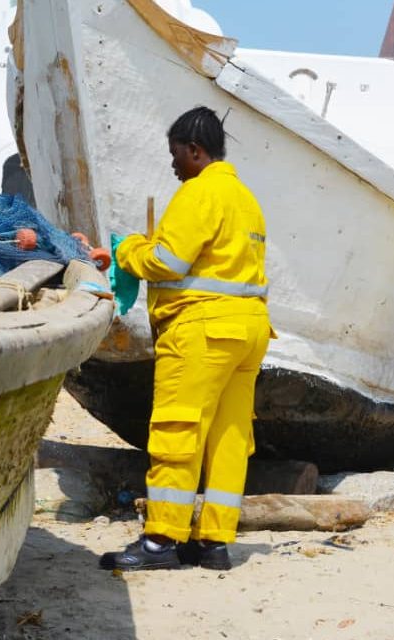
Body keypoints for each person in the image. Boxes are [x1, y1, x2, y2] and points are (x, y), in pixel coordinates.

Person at [101, 106, 273, 572]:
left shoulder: (200, 194)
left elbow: (168, 262)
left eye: (176, 155)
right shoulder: (245, 198)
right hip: (249, 330)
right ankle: (213, 542)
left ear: (195, 151)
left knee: (179, 430)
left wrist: (128, 249)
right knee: (229, 438)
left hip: (203, 331)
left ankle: (161, 540)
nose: (174, 165)